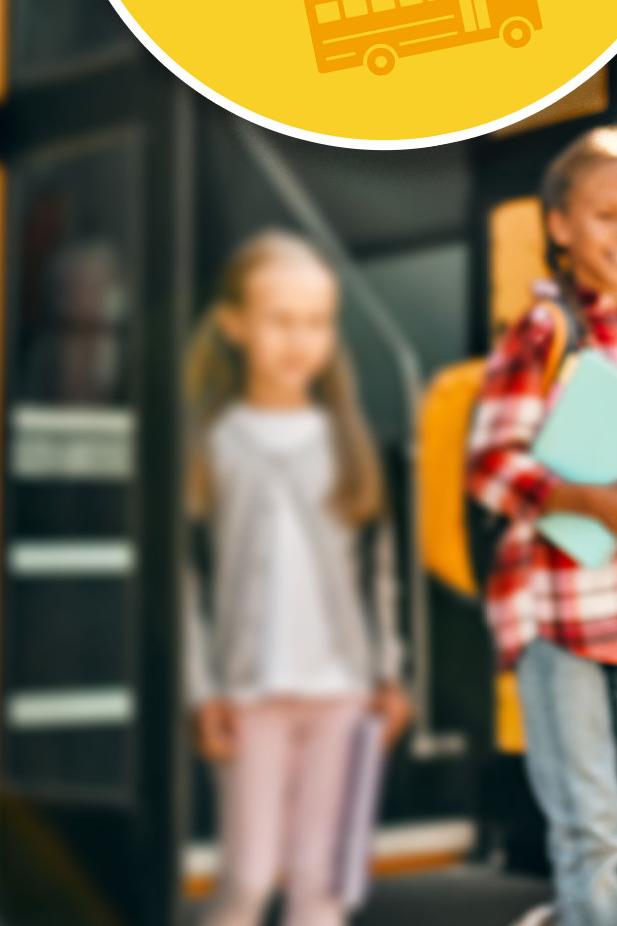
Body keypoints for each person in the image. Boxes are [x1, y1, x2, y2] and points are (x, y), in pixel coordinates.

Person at [469, 125, 617, 926]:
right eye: (608, 216)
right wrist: (592, 502)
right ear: (560, 225)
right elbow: (490, 466)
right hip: (558, 608)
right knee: (591, 833)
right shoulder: (544, 328)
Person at [184, 230, 412, 926]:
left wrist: (389, 674)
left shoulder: (344, 442)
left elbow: (379, 577)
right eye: (280, 320)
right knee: (247, 879)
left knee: (322, 885)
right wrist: (203, 691)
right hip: (251, 693)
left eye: (315, 322)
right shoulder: (212, 447)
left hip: (341, 694)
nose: (299, 339)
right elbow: (187, 584)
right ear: (234, 326)